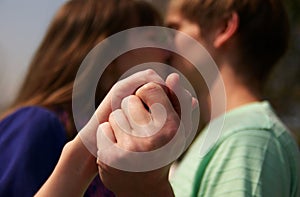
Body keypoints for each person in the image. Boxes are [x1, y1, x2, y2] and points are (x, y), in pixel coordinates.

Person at [35, 0, 300, 196]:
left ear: (223, 28)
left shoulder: (251, 140)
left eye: (174, 29)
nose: (165, 48)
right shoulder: (230, 137)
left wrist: (146, 190)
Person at [0, 0, 167, 196]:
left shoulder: (112, 136)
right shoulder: (37, 124)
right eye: (153, 36)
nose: (168, 50)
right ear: (109, 53)